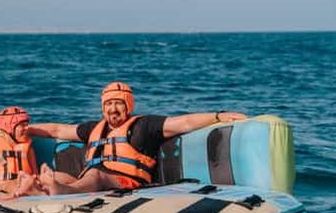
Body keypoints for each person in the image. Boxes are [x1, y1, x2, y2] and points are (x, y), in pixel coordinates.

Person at [28, 81, 248, 195]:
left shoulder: (145, 126)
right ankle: (41, 188)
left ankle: (61, 191)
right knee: (61, 175)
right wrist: (24, 129)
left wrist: (218, 116)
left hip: (127, 182)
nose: (113, 110)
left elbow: (185, 123)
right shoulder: (93, 128)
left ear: (128, 106)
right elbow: (57, 130)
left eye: (118, 104)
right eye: (108, 105)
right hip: (90, 180)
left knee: (95, 175)